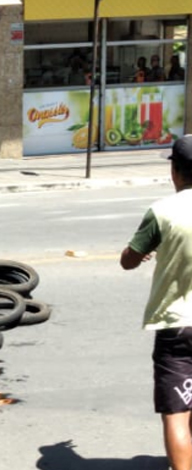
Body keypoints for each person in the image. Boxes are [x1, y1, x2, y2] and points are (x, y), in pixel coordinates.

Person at [120, 135, 192, 470]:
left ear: (175, 172)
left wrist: (140, 252)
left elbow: (129, 260)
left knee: (177, 413)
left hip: (177, 326)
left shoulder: (162, 212)